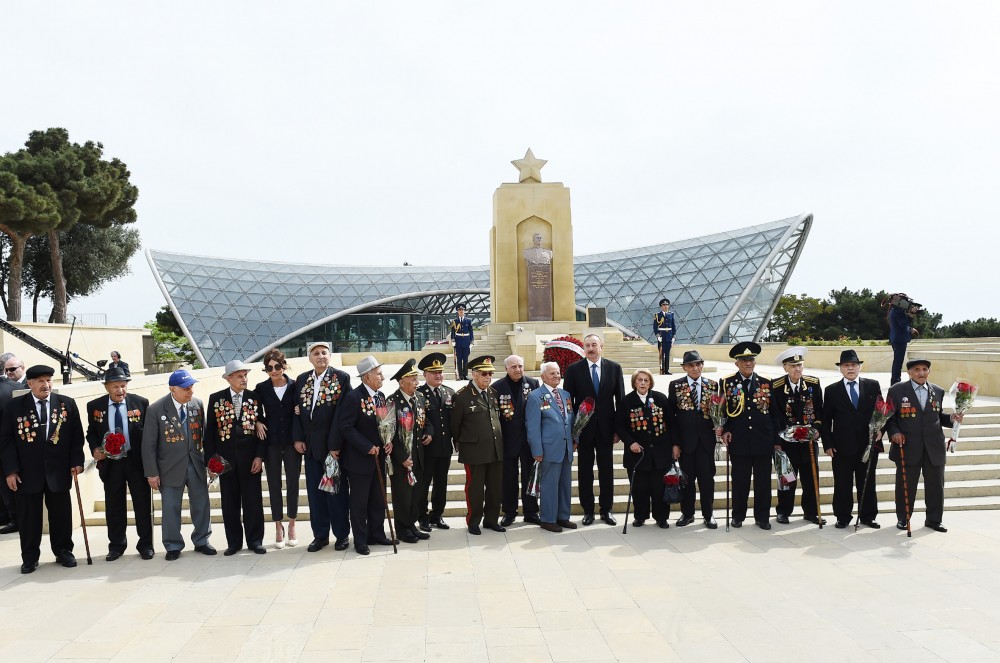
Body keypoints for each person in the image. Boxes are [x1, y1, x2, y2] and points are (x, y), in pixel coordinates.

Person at [0, 365, 85, 574]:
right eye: (40, 381)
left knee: (61, 516)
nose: (46, 385)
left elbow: (76, 437)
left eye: (48, 380)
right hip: (27, 474)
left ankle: (63, 551)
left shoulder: (66, 404)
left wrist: (77, 462)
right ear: (29, 384)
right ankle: (29, 557)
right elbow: (6, 441)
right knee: (29, 518)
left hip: (58, 471)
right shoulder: (15, 406)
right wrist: (11, 471)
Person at [142, 369, 216, 560]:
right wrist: (151, 473)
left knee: (201, 504)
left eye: (191, 387)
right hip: (169, 467)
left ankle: (202, 540)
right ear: (172, 389)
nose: (190, 391)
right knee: (171, 508)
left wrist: (211, 464)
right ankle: (173, 545)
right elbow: (148, 445)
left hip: (196, 464)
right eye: (185, 389)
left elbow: (204, 436)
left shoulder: (197, 404)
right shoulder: (156, 410)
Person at [85, 366, 153, 561]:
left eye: (123, 386)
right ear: (107, 387)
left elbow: (148, 434)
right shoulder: (94, 406)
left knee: (141, 504)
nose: (120, 391)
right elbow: (91, 432)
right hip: (111, 463)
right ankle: (116, 545)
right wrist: (95, 448)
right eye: (115, 387)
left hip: (135, 461)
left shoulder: (140, 403)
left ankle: (145, 545)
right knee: (114, 505)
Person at [886, 358, 960, 533]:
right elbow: (889, 417)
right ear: (909, 372)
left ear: (929, 371)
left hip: (933, 447)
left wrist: (952, 419)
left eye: (925, 369)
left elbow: (938, 416)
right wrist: (894, 432)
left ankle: (934, 520)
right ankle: (904, 518)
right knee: (905, 486)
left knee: (936, 486)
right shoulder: (897, 390)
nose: (921, 373)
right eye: (917, 369)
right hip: (907, 446)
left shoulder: (938, 391)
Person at [292, 341, 352, 552]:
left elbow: (342, 415)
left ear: (330, 355)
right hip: (310, 448)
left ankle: (342, 535)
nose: (320, 356)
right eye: (316, 353)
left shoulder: (341, 378)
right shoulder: (301, 380)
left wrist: (335, 445)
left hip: (332, 449)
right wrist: (298, 438)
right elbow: (296, 411)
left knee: (336, 493)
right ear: (309, 358)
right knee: (315, 495)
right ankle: (320, 535)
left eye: (324, 353)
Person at [204, 360, 267, 555]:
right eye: (239, 376)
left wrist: (259, 456)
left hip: (250, 460)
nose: (244, 379)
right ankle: (234, 542)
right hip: (225, 461)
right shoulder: (216, 399)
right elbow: (210, 432)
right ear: (229, 378)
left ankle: (255, 541)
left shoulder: (255, 398)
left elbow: (262, 429)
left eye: (245, 375)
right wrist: (211, 460)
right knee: (229, 503)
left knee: (253, 502)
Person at [563, 333, 625, 526]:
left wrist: (618, 430)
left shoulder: (614, 368)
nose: (590, 348)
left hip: (607, 430)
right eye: (587, 345)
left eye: (594, 345)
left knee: (607, 471)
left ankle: (606, 510)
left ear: (601, 347)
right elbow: (569, 404)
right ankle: (588, 511)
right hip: (584, 431)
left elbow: (620, 402)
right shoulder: (573, 370)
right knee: (585, 472)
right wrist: (573, 432)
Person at [336, 356, 396, 555]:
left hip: (379, 458)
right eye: (378, 373)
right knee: (360, 502)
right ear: (366, 376)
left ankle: (377, 533)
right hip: (360, 460)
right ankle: (360, 540)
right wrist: (366, 446)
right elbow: (345, 427)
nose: (382, 377)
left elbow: (384, 425)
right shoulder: (353, 397)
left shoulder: (381, 396)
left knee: (378, 499)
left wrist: (388, 442)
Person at [821, 349, 884, 529]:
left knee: (867, 482)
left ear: (859, 367)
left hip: (868, 444)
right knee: (842, 483)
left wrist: (881, 430)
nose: (850, 368)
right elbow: (825, 421)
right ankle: (842, 516)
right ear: (840, 368)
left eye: (854, 365)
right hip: (841, 446)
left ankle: (868, 516)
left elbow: (881, 411)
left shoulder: (872, 385)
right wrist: (828, 444)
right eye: (846, 365)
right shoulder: (832, 390)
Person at [716, 342, 775, 530]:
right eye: (743, 360)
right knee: (740, 481)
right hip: (739, 440)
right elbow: (721, 410)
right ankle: (738, 515)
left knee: (763, 482)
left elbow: (774, 413)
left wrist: (775, 439)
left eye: (750, 360)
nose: (747, 363)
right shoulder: (727, 382)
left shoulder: (766, 382)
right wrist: (724, 429)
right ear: (737, 363)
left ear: (755, 362)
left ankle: (762, 517)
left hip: (762, 440)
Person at [451, 355, 505, 535]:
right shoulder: (462, 396)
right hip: (474, 451)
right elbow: (455, 426)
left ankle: (491, 520)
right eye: (484, 374)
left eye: (490, 374)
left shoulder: (492, 393)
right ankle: (474, 521)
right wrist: (465, 443)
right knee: (475, 489)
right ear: (474, 375)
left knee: (495, 488)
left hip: (495, 450)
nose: (488, 377)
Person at [771, 347, 826, 525]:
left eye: (800, 365)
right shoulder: (776, 386)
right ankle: (783, 511)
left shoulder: (813, 384)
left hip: (808, 441)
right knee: (787, 478)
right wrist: (778, 440)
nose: (798, 369)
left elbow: (819, 410)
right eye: (793, 366)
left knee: (811, 478)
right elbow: (775, 415)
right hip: (787, 443)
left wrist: (816, 429)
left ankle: (811, 512)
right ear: (785, 367)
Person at [666, 350, 718, 529]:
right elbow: (671, 418)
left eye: (698, 364)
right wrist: (675, 443)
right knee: (686, 481)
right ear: (684, 368)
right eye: (691, 365)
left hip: (706, 443)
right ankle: (687, 514)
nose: (695, 368)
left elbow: (717, 413)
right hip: (685, 443)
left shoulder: (712, 385)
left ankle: (709, 514)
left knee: (707, 480)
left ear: (702, 365)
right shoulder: (676, 385)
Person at [255, 349, 301, 548]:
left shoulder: (295, 385)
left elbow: (304, 405)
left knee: (293, 482)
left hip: (292, 442)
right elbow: (253, 410)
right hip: (271, 442)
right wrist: (257, 421)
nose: (273, 371)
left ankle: (292, 524)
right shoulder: (261, 388)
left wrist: (301, 409)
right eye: (269, 368)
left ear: (284, 366)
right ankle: (277, 525)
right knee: (274, 484)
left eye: (277, 366)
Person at [615, 368, 672, 528]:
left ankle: (661, 517)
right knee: (640, 489)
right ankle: (640, 516)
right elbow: (619, 425)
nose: (643, 383)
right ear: (634, 382)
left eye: (646, 380)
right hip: (637, 454)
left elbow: (671, 423)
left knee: (659, 487)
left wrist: (674, 445)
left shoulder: (660, 398)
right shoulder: (626, 401)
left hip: (659, 453)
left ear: (650, 383)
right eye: (639, 380)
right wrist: (630, 442)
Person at [525, 362, 577, 532]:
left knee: (564, 485)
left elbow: (571, 418)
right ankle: (547, 519)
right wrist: (537, 450)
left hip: (566, 447)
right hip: (548, 450)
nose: (556, 376)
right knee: (549, 486)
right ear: (543, 377)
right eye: (552, 373)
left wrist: (575, 439)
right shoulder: (535, 396)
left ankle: (563, 516)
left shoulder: (565, 394)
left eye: (558, 373)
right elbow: (532, 427)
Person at [387, 358, 433, 544]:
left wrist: (429, 432)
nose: (417, 382)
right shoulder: (393, 401)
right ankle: (402, 529)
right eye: (413, 379)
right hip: (401, 460)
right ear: (402, 382)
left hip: (419, 456)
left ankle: (411, 525)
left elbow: (425, 421)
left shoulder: (419, 398)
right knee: (402, 496)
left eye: (416, 379)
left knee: (416, 494)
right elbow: (390, 433)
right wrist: (402, 457)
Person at [493, 354, 541, 527]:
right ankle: (509, 512)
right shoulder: (497, 387)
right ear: (506, 368)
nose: (518, 369)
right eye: (513, 367)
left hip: (528, 441)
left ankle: (531, 512)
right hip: (507, 441)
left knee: (530, 477)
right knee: (509, 478)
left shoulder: (533, 384)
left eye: (520, 366)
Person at [415, 352, 456, 531]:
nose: (438, 375)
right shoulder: (419, 395)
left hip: (445, 447)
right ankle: (422, 516)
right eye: (433, 372)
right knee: (423, 484)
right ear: (425, 375)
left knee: (441, 483)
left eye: (440, 371)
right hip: (427, 448)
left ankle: (437, 515)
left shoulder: (449, 393)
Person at [0, 352, 26, 534]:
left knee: (6, 484)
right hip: (19, 443)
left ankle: (14, 517)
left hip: (7, 444)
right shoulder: (13, 388)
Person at [888, 298, 918, 385]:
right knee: (898, 362)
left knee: (897, 361)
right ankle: (895, 382)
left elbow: (899, 326)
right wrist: (911, 314)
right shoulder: (899, 312)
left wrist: (910, 329)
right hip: (899, 340)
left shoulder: (893, 311)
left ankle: (895, 381)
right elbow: (904, 323)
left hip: (896, 339)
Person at [450, 304, 474, 380]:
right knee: (459, 359)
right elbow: (453, 332)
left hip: (466, 341)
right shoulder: (455, 321)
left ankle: (465, 375)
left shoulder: (468, 321)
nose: (461, 311)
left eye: (462, 310)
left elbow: (471, 331)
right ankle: (460, 375)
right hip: (458, 342)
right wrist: (453, 340)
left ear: (464, 311)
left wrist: (471, 341)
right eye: (459, 310)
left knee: (466, 359)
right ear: (458, 312)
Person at [653, 298, 676, 375]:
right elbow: (655, 327)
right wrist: (658, 336)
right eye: (664, 305)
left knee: (667, 353)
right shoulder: (657, 315)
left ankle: (667, 370)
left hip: (669, 336)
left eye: (666, 305)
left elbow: (673, 326)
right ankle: (662, 369)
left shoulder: (671, 314)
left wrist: (673, 337)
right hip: (661, 336)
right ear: (661, 306)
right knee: (661, 353)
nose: (665, 306)